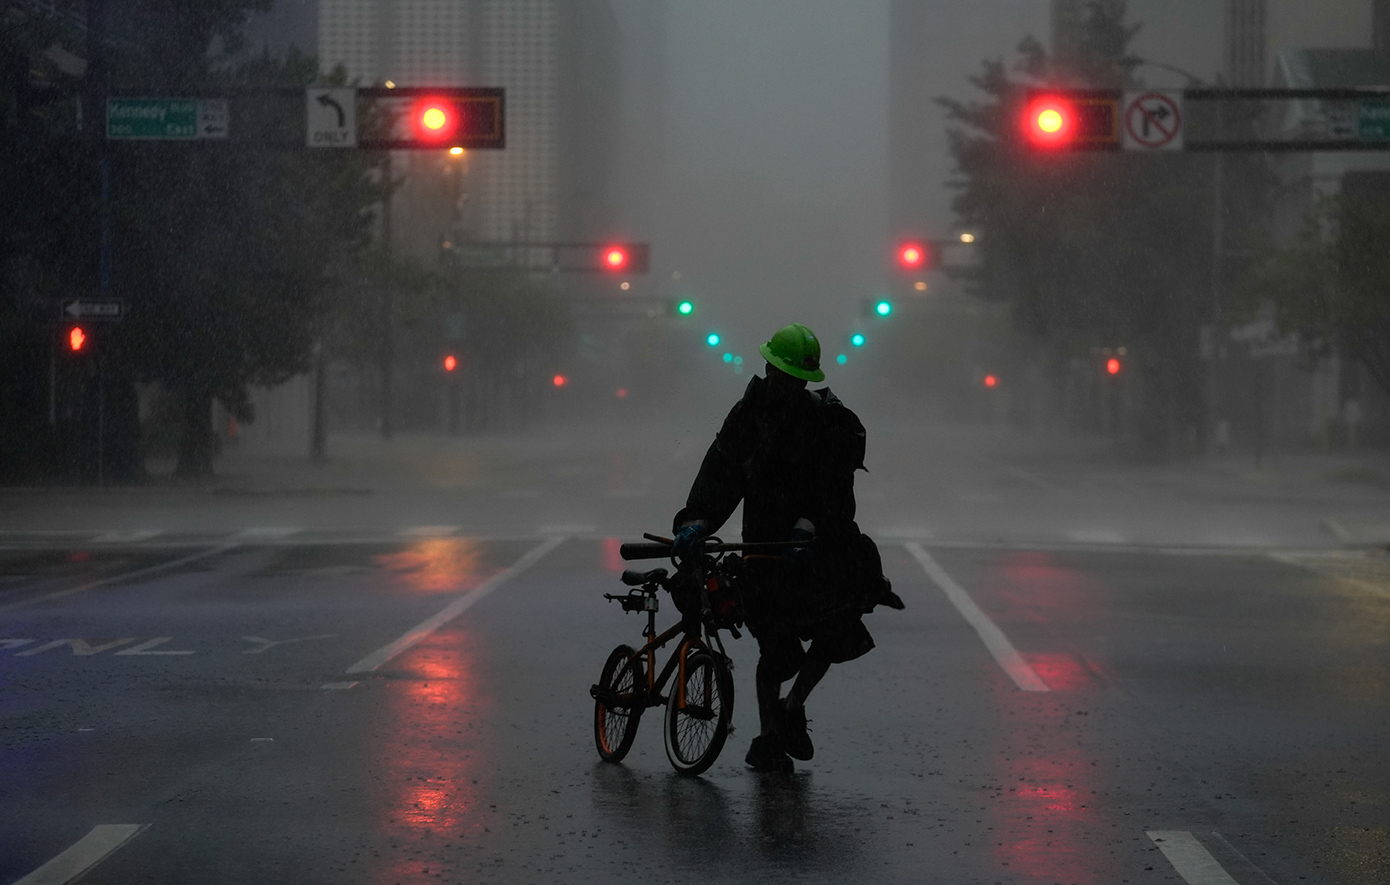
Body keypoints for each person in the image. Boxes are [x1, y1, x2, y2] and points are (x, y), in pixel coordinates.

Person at [671, 322, 903, 773]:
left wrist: (810, 525)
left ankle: (793, 706)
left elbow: (835, 487)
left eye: (797, 378)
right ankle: (767, 739)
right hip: (763, 550)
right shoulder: (748, 415)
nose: (787, 384)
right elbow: (722, 470)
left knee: (838, 626)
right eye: (783, 375)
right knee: (776, 650)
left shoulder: (827, 422)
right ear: (768, 369)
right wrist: (696, 520)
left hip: (816, 549)